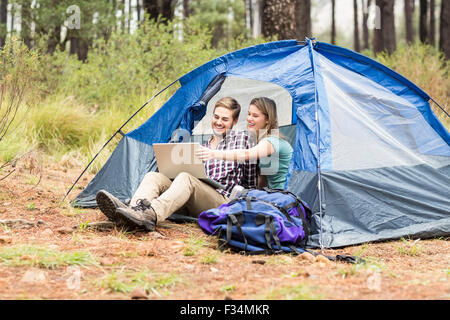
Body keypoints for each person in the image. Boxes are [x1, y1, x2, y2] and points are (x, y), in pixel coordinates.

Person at [96, 97, 257, 231]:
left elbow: (251, 182)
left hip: (222, 202)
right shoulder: (203, 145)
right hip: (193, 198)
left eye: (225, 119)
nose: (219, 122)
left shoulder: (242, 139)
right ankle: (131, 211)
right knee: (154, 177)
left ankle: (150, 215)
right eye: (216, 117)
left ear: (235, 121)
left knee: (186, 178)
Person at [196, 97, 293, 190]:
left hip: (285, 196)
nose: (249, 118)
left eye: (255, 116)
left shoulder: (272, 141)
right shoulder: (259, 143)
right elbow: (262, 182)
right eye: (249, 114)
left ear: (267, 119)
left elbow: (245, 154)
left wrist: (213, 153)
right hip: (273, 197)